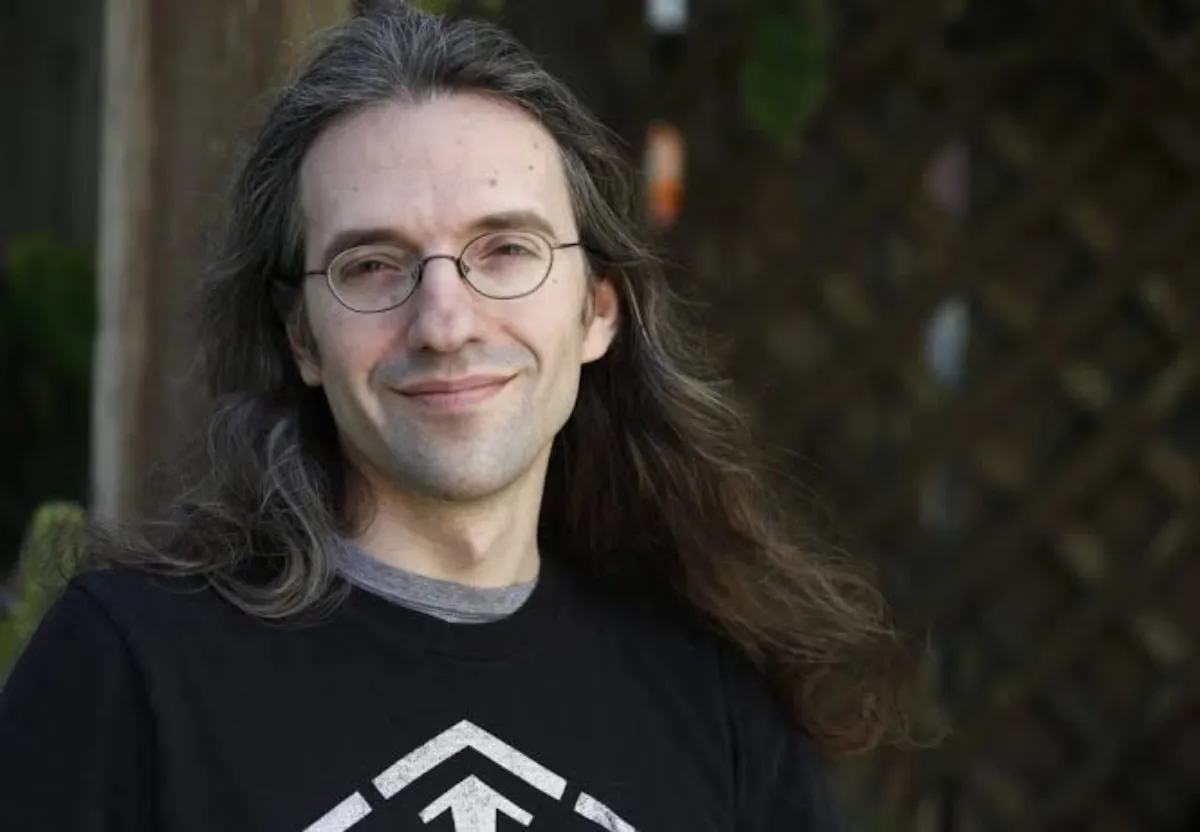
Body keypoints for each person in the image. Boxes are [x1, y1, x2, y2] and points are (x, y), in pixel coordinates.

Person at [0, 5, 912, 830]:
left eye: (506, 249)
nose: (444, 323)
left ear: (599, 310)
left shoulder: (711, 696)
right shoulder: (130, 673)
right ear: (302, 341)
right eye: (371, 266)